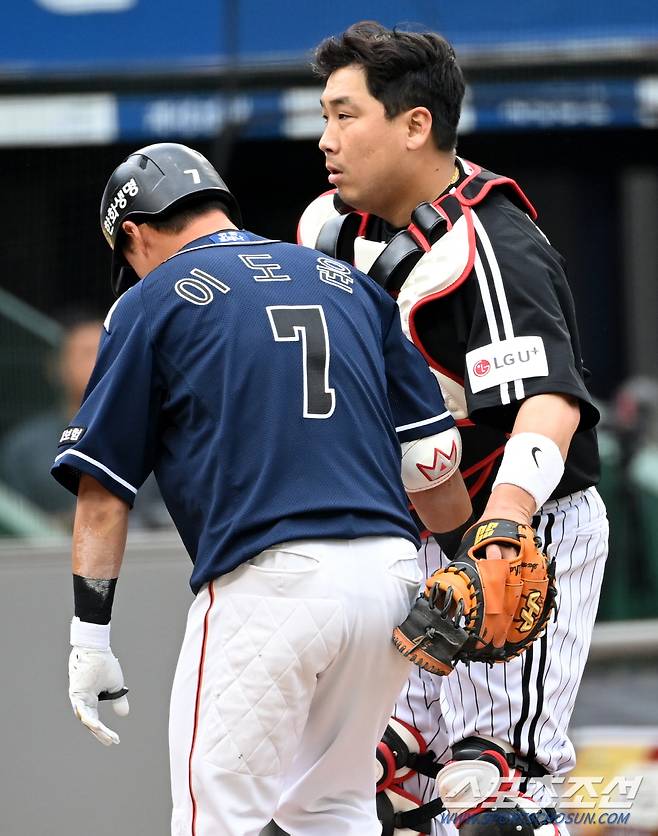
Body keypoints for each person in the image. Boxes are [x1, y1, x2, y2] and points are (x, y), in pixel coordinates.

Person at [51, 142, 473, 836]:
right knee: (335, 811)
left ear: (133, 232)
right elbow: (430, 461)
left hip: (275, 585)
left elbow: (103, 493)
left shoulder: (149, 301)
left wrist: (88, 636)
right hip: (393, 582)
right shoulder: (349, 283)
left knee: (216, 821)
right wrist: (464, 563)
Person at [298, 21, 609, 835]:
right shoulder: (327, 233)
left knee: (487, 791)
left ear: (414, 124)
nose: (325, 139)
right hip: (404, 538)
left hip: (514, 534)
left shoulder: (490, 240)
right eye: (324, 116)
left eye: (343, 115)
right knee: (365, 779)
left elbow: (552, 398)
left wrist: (503, 525)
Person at [0, 310, 102, 527]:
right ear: (57, 367)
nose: (101, 360)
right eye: (87, 352)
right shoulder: (24, 447)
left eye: (110, 349)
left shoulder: (149, 437)